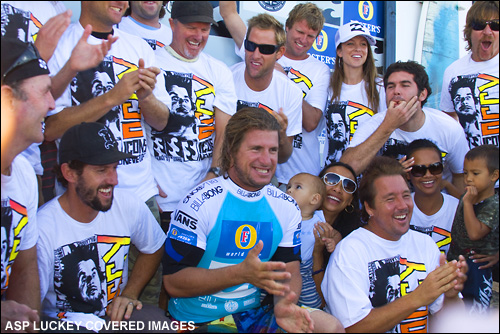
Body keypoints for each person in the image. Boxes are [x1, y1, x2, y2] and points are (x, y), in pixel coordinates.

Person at [162, 107, 344, 333]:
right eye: (256, 149)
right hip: (198, 320)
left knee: (330, 327)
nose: (266, 160)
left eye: (273, 150)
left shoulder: (286, 206)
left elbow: (290, 272)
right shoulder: (198, 202)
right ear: (231, 150)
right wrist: (240, 273)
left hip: (253, 314)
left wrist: (284, 305)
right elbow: (173, 282)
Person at [44, 1, 171, 306]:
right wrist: (112, 97)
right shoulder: (61, 45)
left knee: (142, 305)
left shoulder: (138, 46)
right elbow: (48, 128)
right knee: (81, 303)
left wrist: (145, 97)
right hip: (82, 199)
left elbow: (162, 120)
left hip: (140, 194)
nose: (123, 2)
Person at [36, 122, 168, 328]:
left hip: (114, 320)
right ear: (69, 173)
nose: (114, 179)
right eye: (101, 170)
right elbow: (29, 307)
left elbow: (154, 247)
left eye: (115, 168)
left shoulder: (127, 204)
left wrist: (130, 293)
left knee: (159, 324)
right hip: (63, 325)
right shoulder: (43, 228)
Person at [322, 156, 468, 332]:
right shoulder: (350, 251)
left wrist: (451, 296)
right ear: (369, 208)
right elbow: (353, 328)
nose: (402, 205)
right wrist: (418, 298)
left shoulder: (426, 244)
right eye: (390, 199)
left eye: (406, 196)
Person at [1, 1, 118, 205]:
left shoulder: (54, 8)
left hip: (27, 164)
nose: (51, 105)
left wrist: (71, 67)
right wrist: (37, 55)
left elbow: (40, 90)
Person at [147, 0, 237, 231]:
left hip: (203, 198)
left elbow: (224, 131)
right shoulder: (149, 62)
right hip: (158, 198)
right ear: (172, 24)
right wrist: (143, 180)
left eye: (205, 29)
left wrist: (214, 174)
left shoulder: (219, 71)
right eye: (191, 27)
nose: (198, 35)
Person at [220, 2, 328, 186]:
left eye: (311, 36)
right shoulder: (258, 48)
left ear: (279, 53)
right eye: (300, 32)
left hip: (290, 173)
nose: (257, 54)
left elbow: (310, 123)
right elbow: (228, 12)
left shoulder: (316, 72)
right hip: (237, 171)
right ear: (287, 28)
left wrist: (284, 80)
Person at [340, 60, 469, 199]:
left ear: (422, 94)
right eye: (390, 86)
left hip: (435, 208)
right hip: (389, 208)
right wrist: (388, 126)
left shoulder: (448, 127)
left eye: (405, 85)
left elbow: (460, 175)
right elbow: (345, 169)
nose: (396, 91)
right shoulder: (375, 124)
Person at [1, 37, 55, 333]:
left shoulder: (22, 173)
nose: (52, 104)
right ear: (8, 99)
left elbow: (24, 269)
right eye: (45, 92)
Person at [325, 20, 386, 165]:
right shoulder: (328, 86)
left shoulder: (381, 87)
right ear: (339, 51)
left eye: (363, 44)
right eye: (350, 44)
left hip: (369, 175)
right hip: (333, 175)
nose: (358, 49)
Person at [447, 144, 499, 314]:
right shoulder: (468, 195)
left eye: (475, 174)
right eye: (465, 173)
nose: (468, 178)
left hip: (479, 267)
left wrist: (468, 202)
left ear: (494, 175)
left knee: (475, 310)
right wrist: (447, 187)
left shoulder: (494, 204)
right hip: (456, 261)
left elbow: (475, 233)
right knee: (455, 308)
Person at [440, 1, 498, 149]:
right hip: (471, 166)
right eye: (479, 25)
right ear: (469, 31)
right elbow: (448, 120)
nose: (487, 31)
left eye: (495, 25)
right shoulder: (453, 71)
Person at [312, 161, 361, 308]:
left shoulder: (351, 239)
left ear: (350, 201)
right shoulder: (293, 219)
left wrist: (317, 254)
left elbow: (324, 302)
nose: (338, 189)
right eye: (331, 179)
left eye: (348, 186)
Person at [406, 139, 459, 256]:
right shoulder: (399, 208)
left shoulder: (459, 208)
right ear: (408, 173)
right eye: (419, 170)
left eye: (435, 167)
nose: (428, 175)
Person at [286, 172, 328, 308]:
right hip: (278, 264)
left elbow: (331, 235)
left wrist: (331, 242)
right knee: (261, 293)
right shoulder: (283, 214)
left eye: (298, 187)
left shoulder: (318, 220)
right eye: (289, 186)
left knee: (311, 303)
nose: (289, 190)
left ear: (314, 199)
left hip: (304, 269)